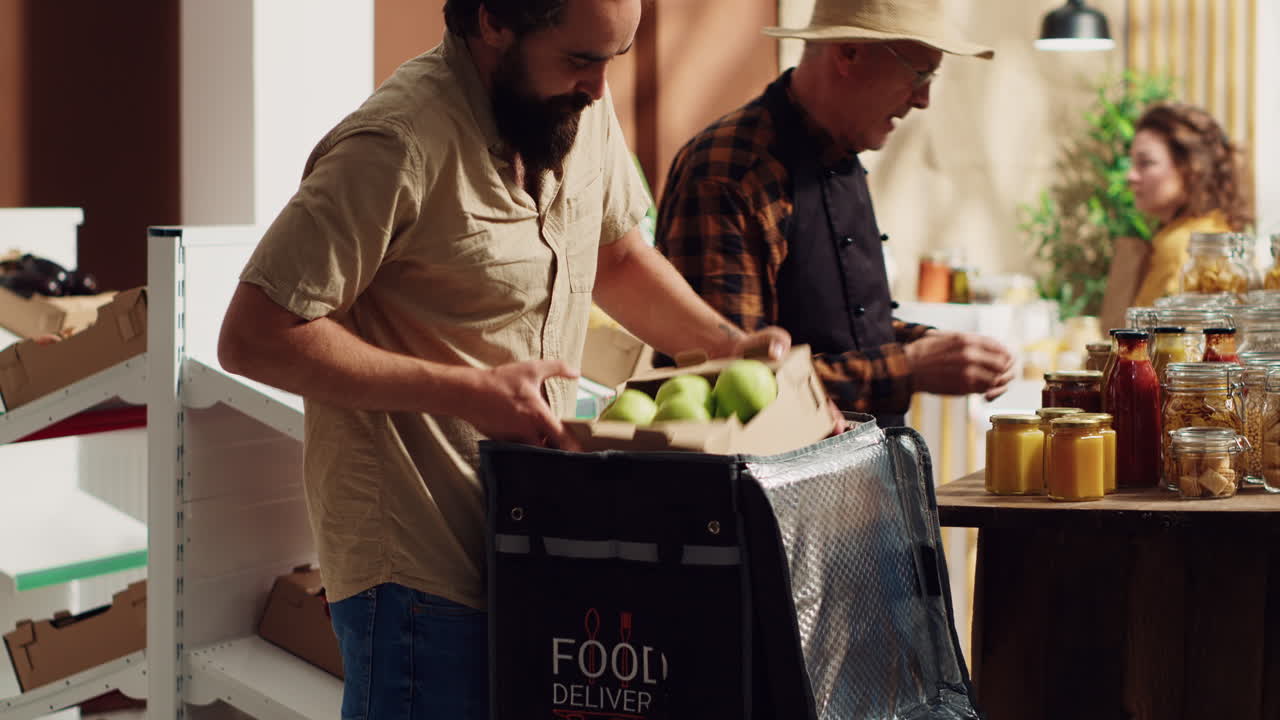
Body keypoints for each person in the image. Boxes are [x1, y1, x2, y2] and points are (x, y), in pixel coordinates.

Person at [216, 1, 799, 717]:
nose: (600, 87)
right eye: (582, 60)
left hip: (535, 549)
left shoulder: (579, 103)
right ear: (493, 20)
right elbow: (255, 334)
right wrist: (466, 391)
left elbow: (615, 254)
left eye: (612, 59)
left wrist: (725, 343)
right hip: (420, 577)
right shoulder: (392, 145)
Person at [656, 0, 1014, 428]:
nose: (924, 100)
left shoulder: (843, 149)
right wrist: (908, 367)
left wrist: (930, 345)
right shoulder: (730, 171)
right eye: (920, 75)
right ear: (848, 53)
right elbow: (732, 378)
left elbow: (844, 326)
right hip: (770, 488)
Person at [1125, 102, 1254, 308]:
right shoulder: (1214, 229)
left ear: (1192, 167)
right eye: (1132, 163)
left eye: (1146, 163)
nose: (1130, 175)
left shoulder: (1183, 245)